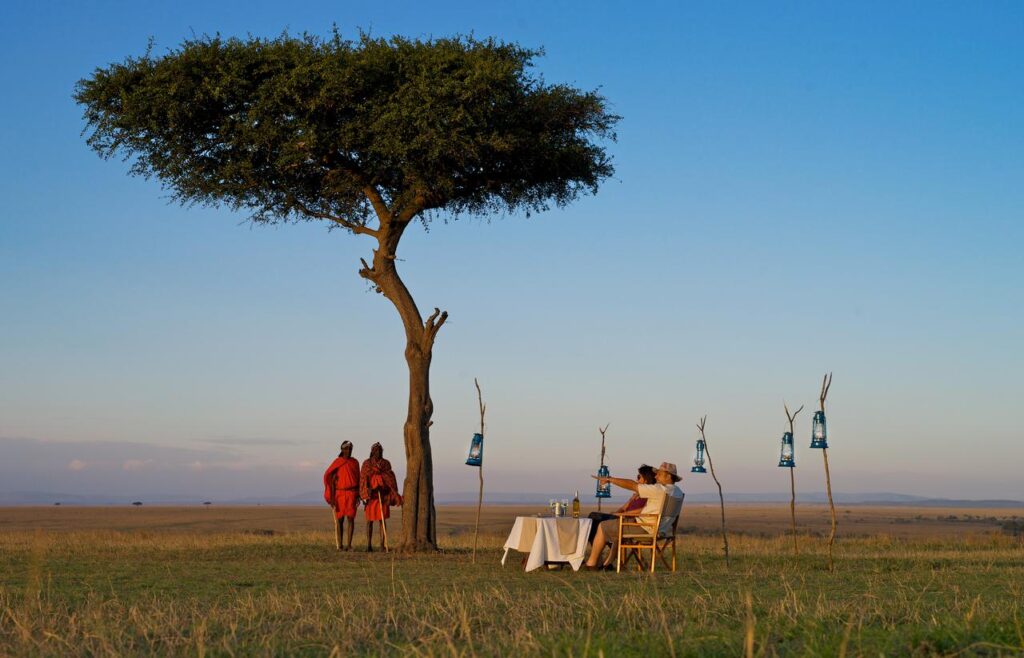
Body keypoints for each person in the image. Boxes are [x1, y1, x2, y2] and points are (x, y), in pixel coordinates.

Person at [584, 462, 684, 570]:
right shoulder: (678, 492)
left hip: (644, 528)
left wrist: (610, 479)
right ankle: (605, 563)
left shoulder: (659, 489)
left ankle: (592, 564)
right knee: (610, 524)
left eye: (659, 474)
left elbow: (632, 485)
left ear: (668, 476)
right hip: (661, 531)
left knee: (603, 526)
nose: (656, 476)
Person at [587, 464, 657, 544]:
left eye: (639, 477)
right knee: (593, 520)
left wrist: (622, 514)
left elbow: (643, 510)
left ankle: (603, 547)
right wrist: (619, 511)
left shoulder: (649, 495)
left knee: (594, 517)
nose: (637, 480)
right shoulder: (637, 494)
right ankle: (602, 546)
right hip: (621, 517)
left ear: (646, 479)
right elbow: (623, 508)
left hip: (627, 521)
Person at [359, 442, 402, 552]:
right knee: (369, 521)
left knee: (382, 521)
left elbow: (390, 479)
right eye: (377, 451)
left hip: (382, 497)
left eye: (381, 451)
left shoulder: (386, 464)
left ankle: (382, 545)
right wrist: (368, 491)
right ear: (372, 452)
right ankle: (369, 545)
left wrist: (382, 487)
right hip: (371, 497)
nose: (379, 452)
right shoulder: (367, 464)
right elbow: (363, 480)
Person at [323, 441, 360, 551]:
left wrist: (358, 495)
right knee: (340, 520)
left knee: (351, 519)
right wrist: (333, 498)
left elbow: (358, 478)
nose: (348, 451)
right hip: (339, 494)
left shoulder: (355, 462)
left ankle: (349, 545)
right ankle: (340, 545)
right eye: (346, 449)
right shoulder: (337, 462)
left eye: (350, 449)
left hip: (352, 493)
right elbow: (331, 480)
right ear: (342, 450)